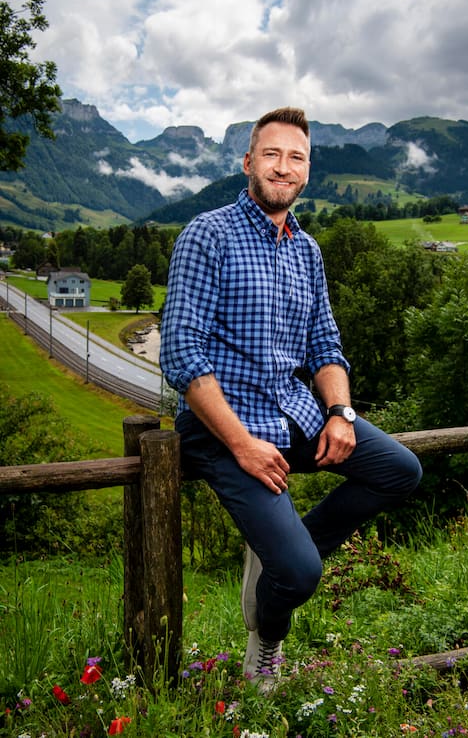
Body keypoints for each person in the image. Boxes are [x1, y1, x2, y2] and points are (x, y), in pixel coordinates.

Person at [160, 106, 422, 691]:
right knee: (301, 575)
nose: (284, 167)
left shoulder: (306, 250)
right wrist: (243, 445)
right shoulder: (209, 234)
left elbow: (326, 345)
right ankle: (268, 640)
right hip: (223, 429)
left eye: (296, 157)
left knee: (399, 470)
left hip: (294, 413)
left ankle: (285, 546)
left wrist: (339, 413)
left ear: (308, 172)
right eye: (272, 154)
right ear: (248, 162)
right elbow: (181, 354)